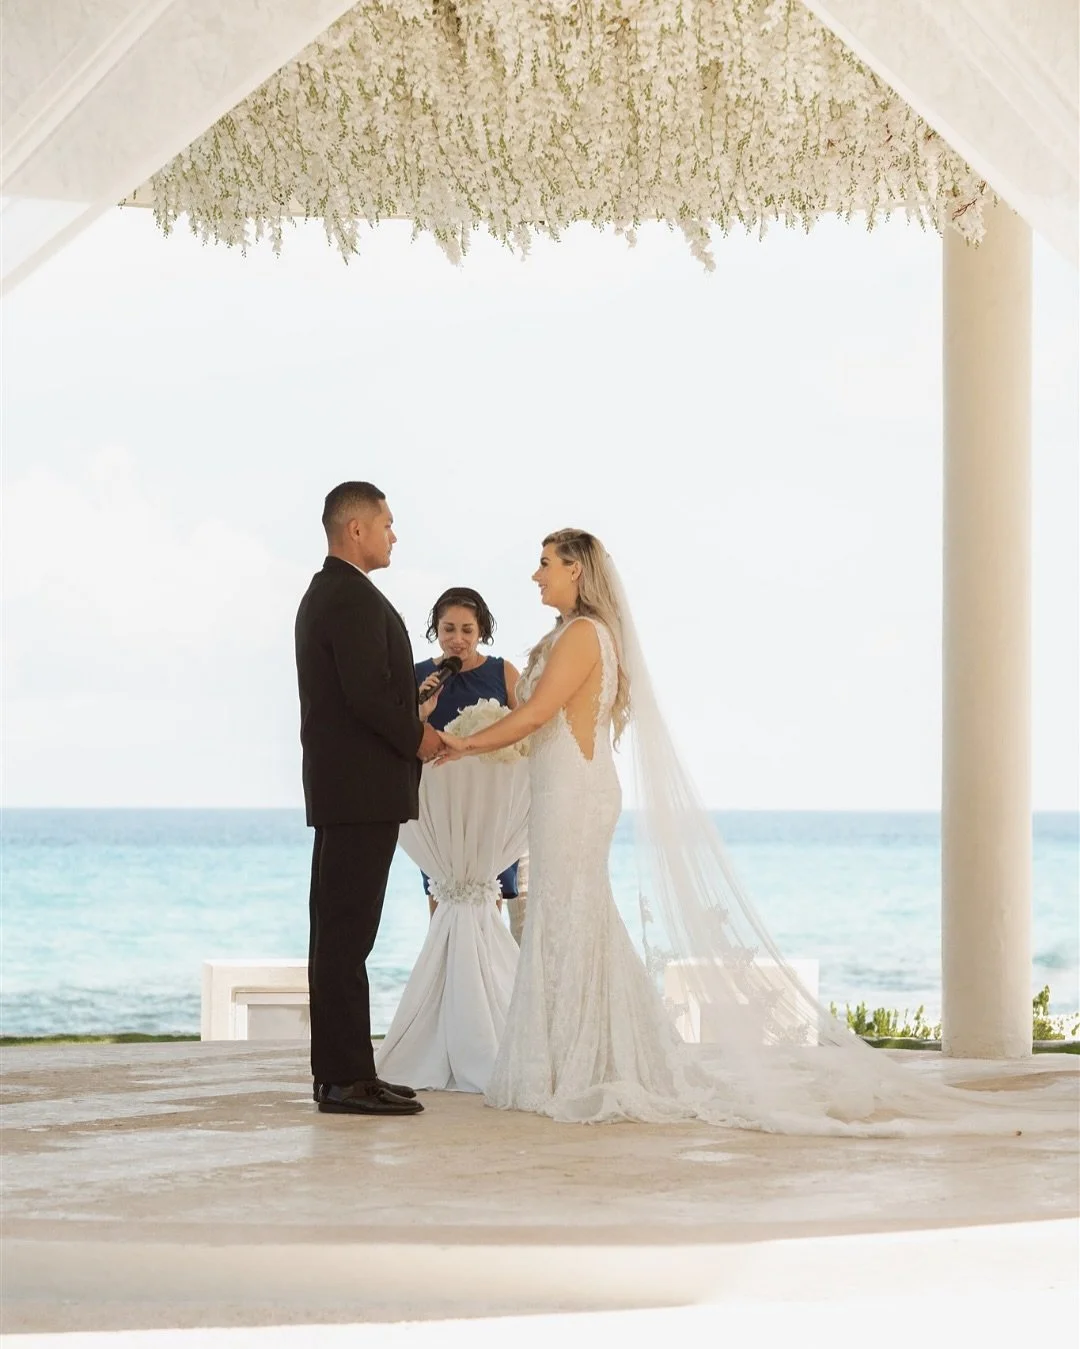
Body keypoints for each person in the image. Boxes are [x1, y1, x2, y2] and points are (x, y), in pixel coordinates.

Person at [432, 531, 1070, 1136]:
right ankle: (576, 1057)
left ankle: (582, 1064)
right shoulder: (567, 634)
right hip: (560, 785)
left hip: (574, 790)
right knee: (569, 917)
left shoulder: (583, 634)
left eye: (546, 561)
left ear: (575, 569)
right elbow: (532, 717)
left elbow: (540, 713)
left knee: (573, 916)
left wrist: (462, 748)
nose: (536, 573)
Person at [295, 481, 442, 1117]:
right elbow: (364, 693)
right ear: (356, 529)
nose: (393, 535)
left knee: (337, 935)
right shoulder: (349, 597)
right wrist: (420, 736)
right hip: (359, 791)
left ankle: (345, 1072)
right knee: (346, 937)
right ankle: (346, 1080)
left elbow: (365, 692)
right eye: (386, 524)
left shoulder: (331, 593)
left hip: (345, 790)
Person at [414, 587, 524, 929]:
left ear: (481, 632)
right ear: (436, 629)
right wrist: (419, 711)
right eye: (448, 629)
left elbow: (524, 733)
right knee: (443, 895)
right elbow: (403, 739)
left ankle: (488, 978)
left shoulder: (502, 671)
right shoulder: (417, 675)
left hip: (491, 806)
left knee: (485, 901)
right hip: (438, 807)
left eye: (467, 630)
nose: (457, 639)